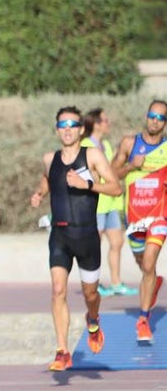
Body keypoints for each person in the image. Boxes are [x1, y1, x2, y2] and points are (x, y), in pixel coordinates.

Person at [30, 106, 121, 371]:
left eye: (72, 125)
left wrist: (88, 185)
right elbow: (47, 179)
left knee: (91, 295)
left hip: (87, 235)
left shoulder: (92, 155)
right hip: (60, 234)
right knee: (57, 290)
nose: (67, 129)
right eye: (62, 125)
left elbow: (116, 187)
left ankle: (93, 320)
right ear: (57, 130)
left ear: (81, 129)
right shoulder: (49, 159)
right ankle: (62, 351)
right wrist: (39, 193)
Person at [111, 100, 167, 342]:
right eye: (152, 116)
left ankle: (143, 320)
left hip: (159, 215)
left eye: (161, 118)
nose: (155, 121)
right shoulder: (129, 143)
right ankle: (152, 282)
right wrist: (131, 166)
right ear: (146, 116)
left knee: (149, 262)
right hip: (134, 216)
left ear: (165, 123)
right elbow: (111, 173)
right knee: (143, 264)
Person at [82, 108, 135, 297]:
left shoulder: (105, 144)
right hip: (96, 204)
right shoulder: (86, 145)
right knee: (93, 245)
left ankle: (116, 283)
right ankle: (92, 284)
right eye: (105, 120)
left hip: (111, 202)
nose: (108, 123)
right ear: (95, 124)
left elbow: (111, 170)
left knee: (117, 242)